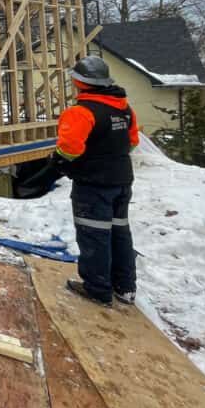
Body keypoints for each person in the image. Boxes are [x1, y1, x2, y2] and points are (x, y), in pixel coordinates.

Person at [51, 55, 140, 308]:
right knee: (119, 232)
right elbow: (132, 142)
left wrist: (58, 163)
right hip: (122, 180)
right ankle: (125, 287)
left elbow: (69, 149)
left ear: (80, 82)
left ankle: (97, 289)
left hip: (94, 184)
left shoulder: (81, 112)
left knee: (94, 235)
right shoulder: (124, 109)